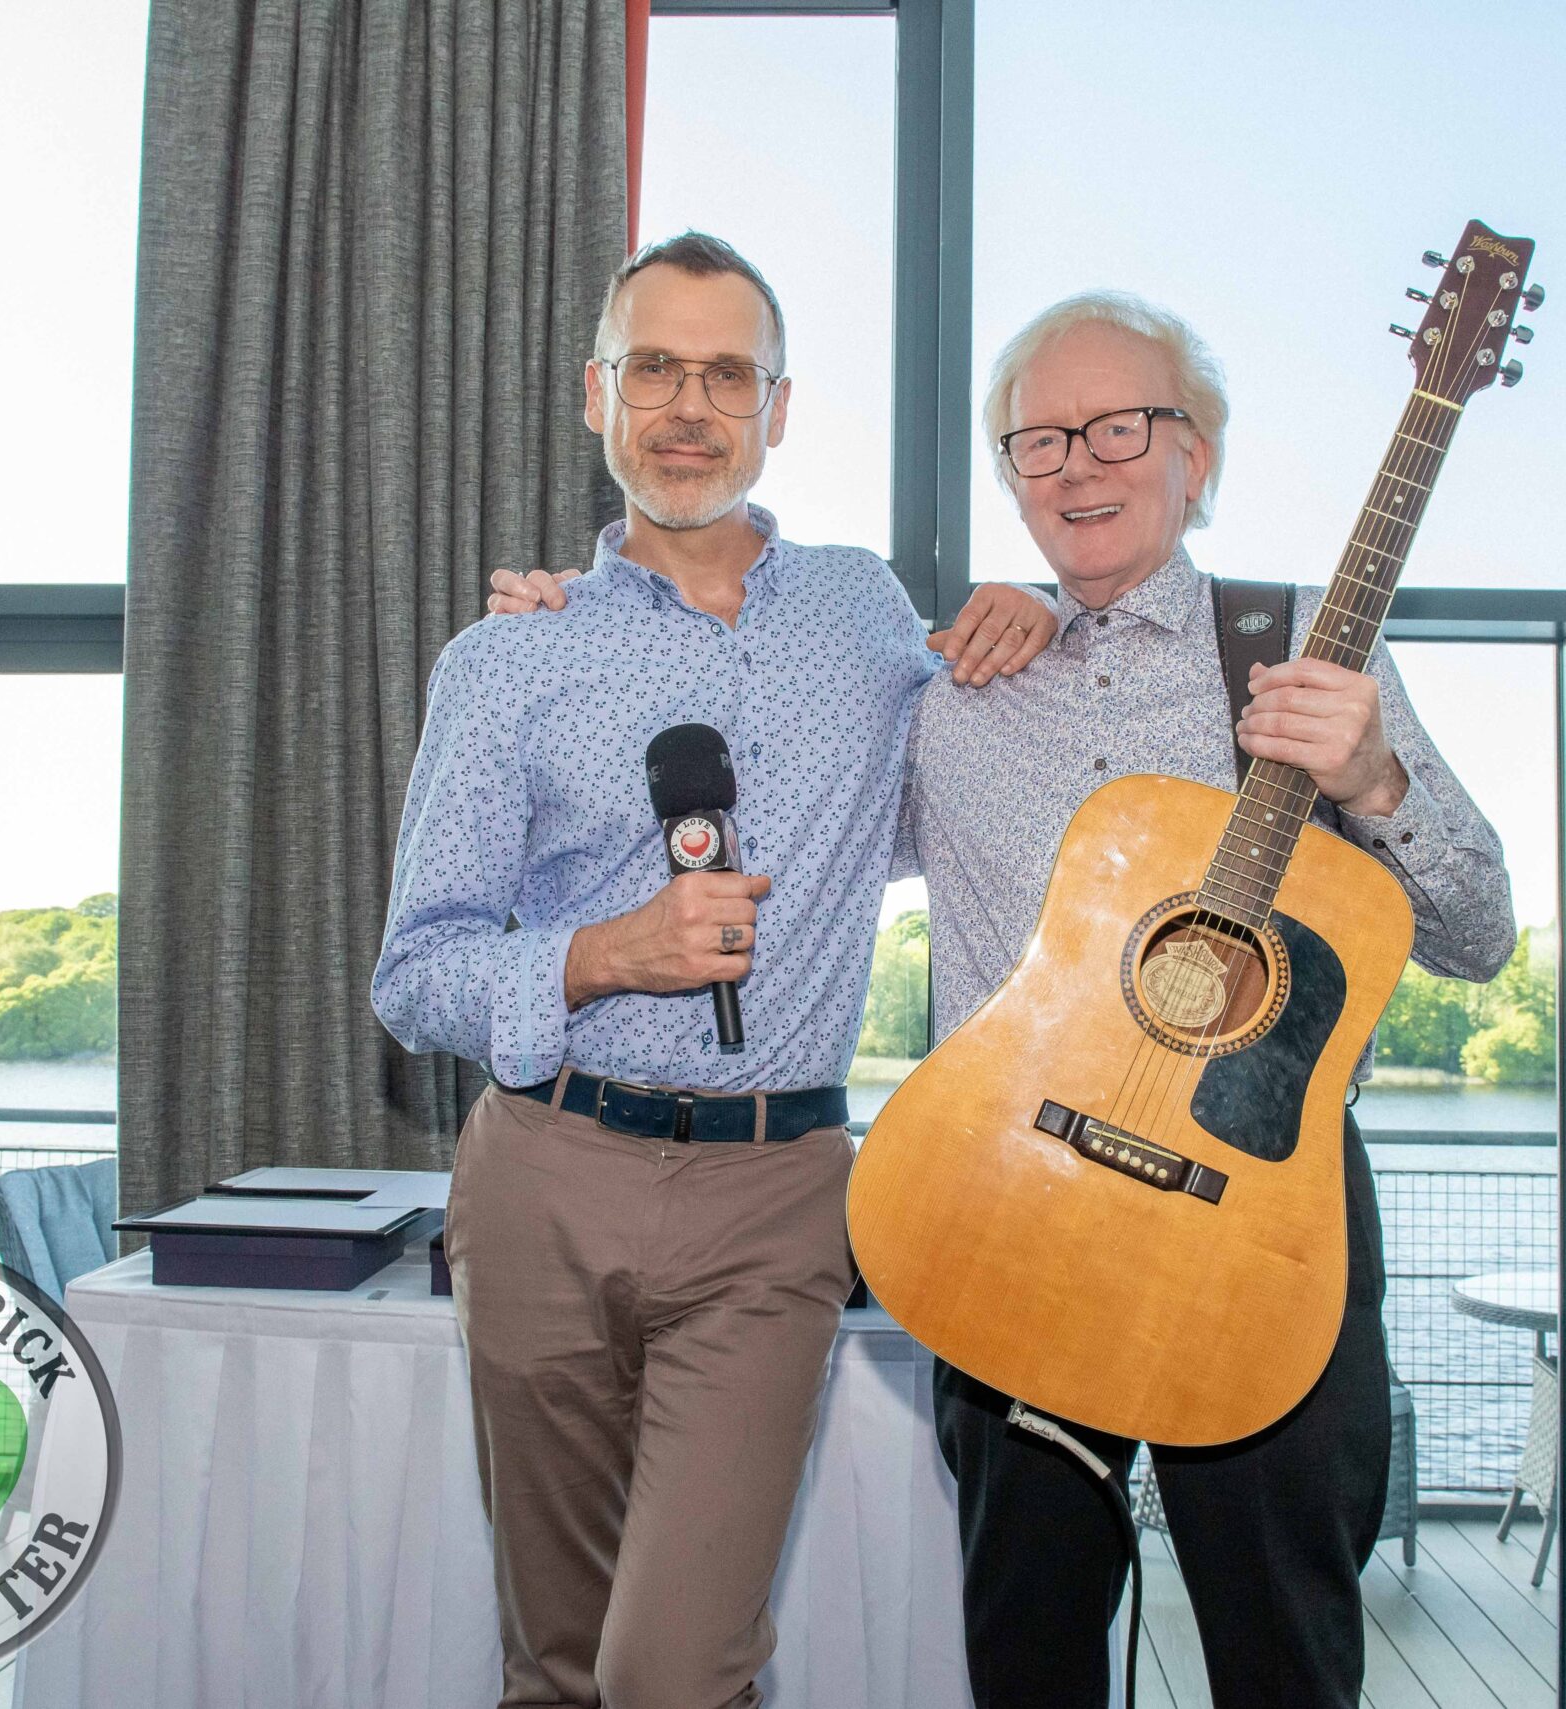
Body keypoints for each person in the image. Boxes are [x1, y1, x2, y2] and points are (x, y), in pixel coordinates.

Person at [487, 290, 1516, 1707]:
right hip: (1017, 1220)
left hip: (1271, 1234)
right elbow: (780, 802)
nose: (1080, 464)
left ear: (1194, 455)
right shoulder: (952, 687)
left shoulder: (1300, 660)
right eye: (1040, 441)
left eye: (1119, 426)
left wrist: (1376, 780)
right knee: (1027, 1658)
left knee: (1289, 1657)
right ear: (1012, 477)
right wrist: (573, 624)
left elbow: (1479, 932)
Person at [372, 230, 1057, 1709]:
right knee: (556, 1665)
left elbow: (967, 800)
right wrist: (606, 955)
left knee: (672, 1667)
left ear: (780, 407)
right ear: (596, 396)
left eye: (728, 372)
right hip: (545, 1175)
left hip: (776, 1196)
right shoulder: (504, 658)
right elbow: (415, 975)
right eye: (657, 368)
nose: (692, 404)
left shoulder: (866, 611)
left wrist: (1043, 618)